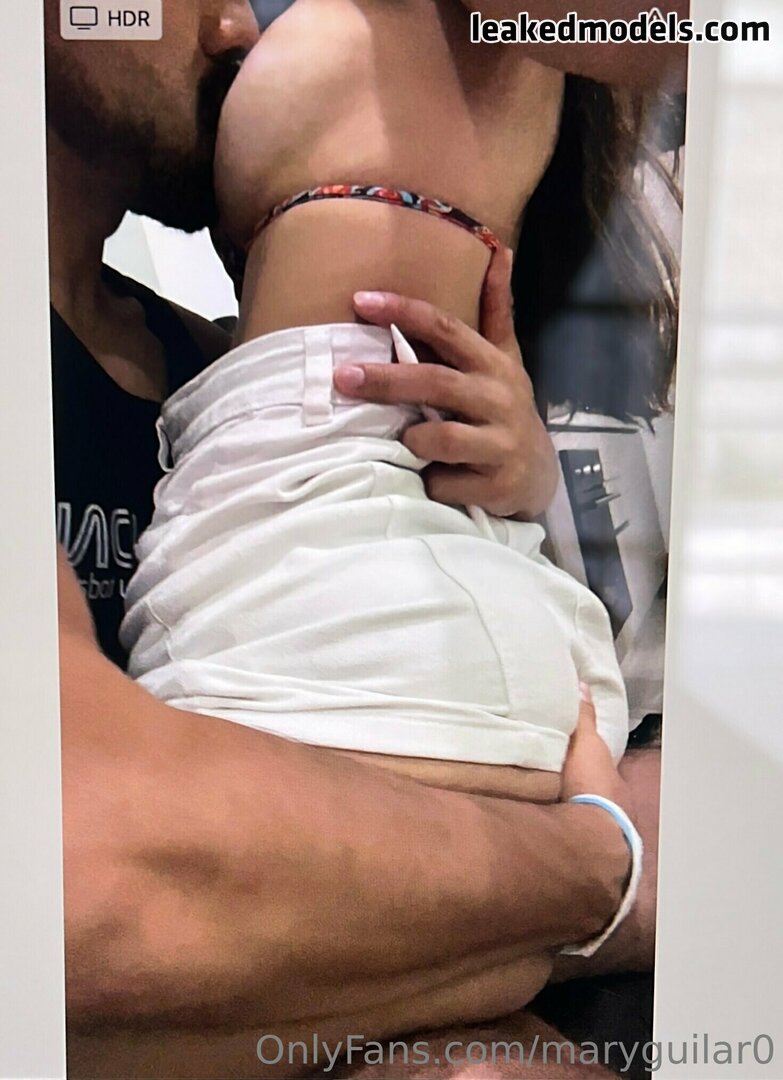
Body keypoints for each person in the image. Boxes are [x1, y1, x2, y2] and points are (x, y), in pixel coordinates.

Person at [46, 0, 683, 1075]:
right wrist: (601, 863)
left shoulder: (199, 371)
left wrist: (517, 473)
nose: (234, 30)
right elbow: (80, 888)